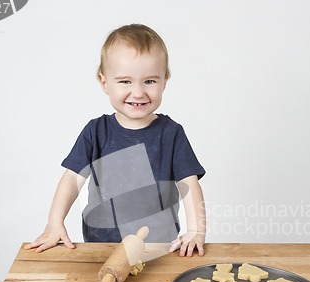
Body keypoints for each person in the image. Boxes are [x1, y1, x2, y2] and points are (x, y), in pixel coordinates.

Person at [25, 24, 206, 257]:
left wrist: (196, 230)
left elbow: (189, 185)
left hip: (158, 250)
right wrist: (54, 222)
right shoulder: (95, 131)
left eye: (149, 81)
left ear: (164, 81)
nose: (138, 92)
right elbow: (72, 179)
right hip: (101, 248)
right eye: (125, 81)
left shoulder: (171, 133)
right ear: (104, 82)